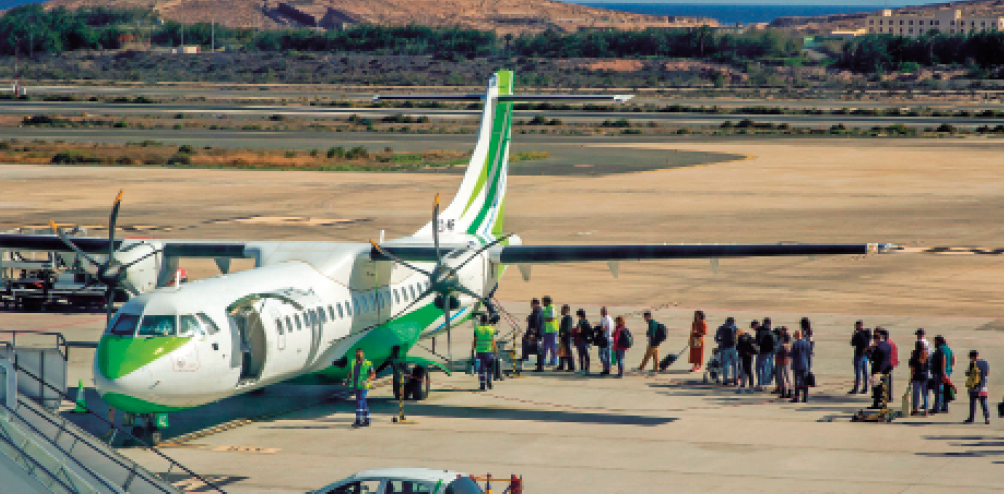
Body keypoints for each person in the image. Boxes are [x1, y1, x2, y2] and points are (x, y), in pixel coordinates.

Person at [345, 348, 376, 428]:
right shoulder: (353, 362)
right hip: (356, 386)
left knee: (359, 402)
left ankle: (358, 421)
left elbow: (373, 375)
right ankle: (367, 420)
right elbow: (350, 372)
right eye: (357, 354)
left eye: (360, 354)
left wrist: (367, 380)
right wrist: (347, 380)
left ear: (363, 354)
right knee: (363, 403)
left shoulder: (368, 363)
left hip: (363, 386)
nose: (358, 355)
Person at [930, 335, 955, 414]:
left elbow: (943, 358)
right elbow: (953, 357)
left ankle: (936, 408)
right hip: (948, 372)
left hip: (940, 373)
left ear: (938, 341)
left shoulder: (940, 350)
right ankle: (945, 407)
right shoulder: (948, 349)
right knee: (946, 390)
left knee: (938, 391)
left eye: (935, 341)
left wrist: (943, 371)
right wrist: (952, 367)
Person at [964, 350, 990, 424]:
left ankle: (971, 418)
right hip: (983, 385)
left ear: (972, 356)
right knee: (984, 402)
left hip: (974, 386)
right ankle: (987, 418)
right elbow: (987, 373)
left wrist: (966, 373)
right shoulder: (985, 363)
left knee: (973, 403)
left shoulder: (972, 363)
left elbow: (969, 373)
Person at [472, 314, 497, 391]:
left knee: (481, 369)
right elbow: (493, 341)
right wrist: (495, 351)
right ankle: (489, 379)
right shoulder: (491, 329)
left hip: (479, 351)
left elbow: (475, 341)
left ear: (481, 320)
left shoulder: (477, 329)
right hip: (489, 351)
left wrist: (472, 350)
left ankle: (482, 385)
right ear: (487, 321)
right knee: (489, 367)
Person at [868, 332, 893, 409]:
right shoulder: (888, 345)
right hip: (886, 368)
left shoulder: (877, 347)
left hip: (877, 369)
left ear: (876, 339)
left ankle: (876, 403)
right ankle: (884, 403)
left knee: (876, 387)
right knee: (884, 386)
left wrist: (869, 351)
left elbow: (873, 358)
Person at [849, 320, 872, 394]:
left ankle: (856, 388)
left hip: (859, 354)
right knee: (865, 372)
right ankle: (866, 387)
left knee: (858, 372)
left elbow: (852, 343)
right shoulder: (868, 332)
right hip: (865, 354)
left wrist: (855, 335)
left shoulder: (859, 334)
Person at [715, 317, 739, 386]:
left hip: (725, 348)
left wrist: (721, 342)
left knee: (726, 364)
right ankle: (735, 380)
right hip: (733, 348)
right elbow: (739, 337)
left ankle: (725, 380)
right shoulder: (735, 328)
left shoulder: (721, 328)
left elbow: (716, 338)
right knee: (735, 364)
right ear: (733, 322)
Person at [908, 340, 930, 416]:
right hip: (925, 376)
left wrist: (911, 377)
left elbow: (912, 368)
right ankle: (926, 410)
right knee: (925, 394)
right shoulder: (927, 355)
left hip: (916, 376)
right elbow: (929, 366)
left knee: (916, 394)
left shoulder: (914, 356)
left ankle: (915, 409)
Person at [790, 330, 811, 403]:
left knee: (797, 382)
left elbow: (792, 355)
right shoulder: (806, 344)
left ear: (796, 335)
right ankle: (805, 397)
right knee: (805, 382)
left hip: (797, 365)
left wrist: (787, 352)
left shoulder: (795, 344)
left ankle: (797, 397)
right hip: (805, 365)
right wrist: (809, 365)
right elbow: (809, 355)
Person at [736, 326, 758, 394]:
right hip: (750, 355)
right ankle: (751, 386)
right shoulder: (749, 336)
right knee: (750, 371)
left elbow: (739, 347)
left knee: (744, 371)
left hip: (744, 356)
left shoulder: (740, 338)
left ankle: (743, 386)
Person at [755, 318, 775, 390]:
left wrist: (757, 349)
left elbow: (757, 342)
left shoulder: (760, 330)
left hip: (762, 351)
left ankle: (760, 384)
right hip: (769, 352)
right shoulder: (770, 331)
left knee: (759, 368)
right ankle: (766, 383)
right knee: (766, 368)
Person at [541, 296, 559, 367]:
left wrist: (543, 320)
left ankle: (553, 361)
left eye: (543, 302)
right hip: (546, 330)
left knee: (552, 346)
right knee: (545, 346)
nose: (543, 303)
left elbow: (551, 318)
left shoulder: (552, 308)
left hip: (552, 330)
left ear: (547, 302)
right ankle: (543, 360)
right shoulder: (546, 308)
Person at [556, 305, 575, 372]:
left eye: (562, 309)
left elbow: (568, 329)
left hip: (567, 338)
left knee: (568, 352)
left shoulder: (568, 318)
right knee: (562, 352)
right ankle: (561, 366)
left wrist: (562, 335)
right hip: (563, 338)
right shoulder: (565, 318)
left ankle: (571, 367)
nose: (561, 311)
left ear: (566, 310)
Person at [524, 298, 542, 365]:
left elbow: (536, 322)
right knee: (538, 348)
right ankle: (525, 356)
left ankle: (540, 365)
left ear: (535, 304)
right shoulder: (538, 310)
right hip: (537, 332)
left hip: (536, 333)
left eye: (532, 304)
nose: (531, 306)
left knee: (538, 349)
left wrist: (533, 333)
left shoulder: (537, 311)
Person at [774, 327, 792, 398]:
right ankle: (784, 390)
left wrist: (778, 349)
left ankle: (789, 390)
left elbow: (786, 348)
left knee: (786, 375)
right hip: (780, 358)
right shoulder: (781, 338)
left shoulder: (787, 338)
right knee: (781, 375)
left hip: (784, 358)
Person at [573, 309, 592, 374]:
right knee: (586, 355)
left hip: (581, 339)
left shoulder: (581, 322)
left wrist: (574, 330)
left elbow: (579, 330)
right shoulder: (586, 321)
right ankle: (587, 369)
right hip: (586, 340)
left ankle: (581, 369)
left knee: (581, 355)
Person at [599, 307, 614, 375]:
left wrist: (598, 328)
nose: (600, 313)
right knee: (608, 355)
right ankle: (609, 368)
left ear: (604, 312)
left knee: (601, 354)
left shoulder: (604, 318)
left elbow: (603, 328)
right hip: (610, 338)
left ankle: (606, 367)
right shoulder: (611, 319)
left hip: (605, 338)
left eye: (601, 312)